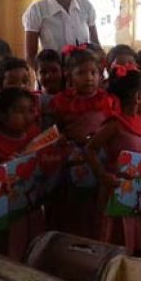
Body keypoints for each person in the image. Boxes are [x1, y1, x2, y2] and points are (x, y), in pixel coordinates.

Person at [87, 68, 141, 254]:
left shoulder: (140, 121)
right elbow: (90, 149)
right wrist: (103, 175)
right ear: (138, 97)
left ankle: (135, 251)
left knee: (136, 223)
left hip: (137, 187)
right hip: (116, 186)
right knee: (117, 229)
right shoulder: (115, 124)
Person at [50, 46, 118, 238]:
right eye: (81, 73)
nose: (89, 77)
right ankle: (75, 233)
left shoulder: (107, 100)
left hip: (100, 154)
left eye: (93, 72)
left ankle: (97, 233)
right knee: (77, 196)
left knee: (99, 196)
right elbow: (57, 128)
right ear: (69, 77)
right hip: (74, 155)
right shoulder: (63, 101)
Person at [0, 88, 46, 261]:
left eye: (30, 110)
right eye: (19, 111)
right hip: (4, 213)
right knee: (4, 252)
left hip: (31, 209)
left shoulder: (36, 138)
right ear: (1, 115)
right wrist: (1, 168)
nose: (27, 116)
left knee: (32, 248)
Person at [23, 0, 99, 68]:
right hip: (52, 79)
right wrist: (43, 77)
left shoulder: (86, 7)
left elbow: (96, 45)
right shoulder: (37, 10)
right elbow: (30, 56)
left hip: (82, 77)